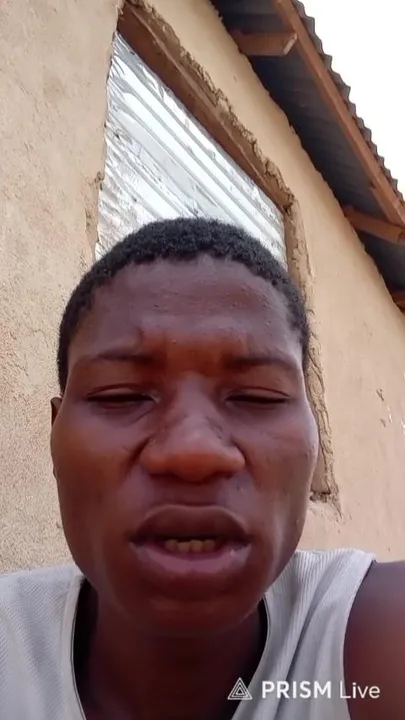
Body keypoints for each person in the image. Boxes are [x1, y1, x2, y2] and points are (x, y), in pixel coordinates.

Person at [0, 218, 402, 720]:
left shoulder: (376, 635)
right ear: (55, 437)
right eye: (120, 395)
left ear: (314, 438)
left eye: (257, 397)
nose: (194, 452)